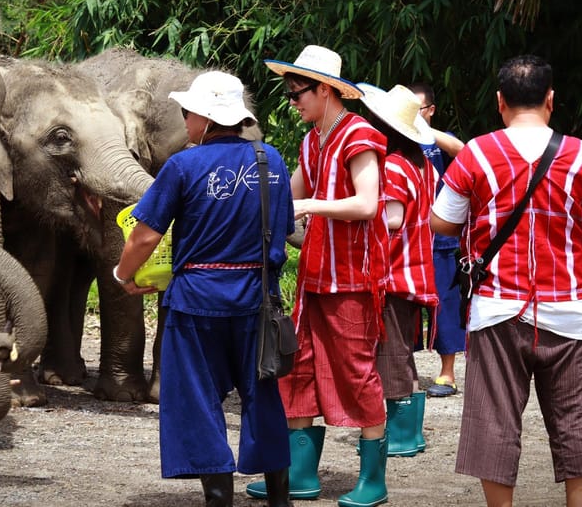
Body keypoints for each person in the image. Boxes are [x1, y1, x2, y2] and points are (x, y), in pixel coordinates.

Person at [431, 55, 582, 507]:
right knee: (576, 420)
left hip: (497, 308)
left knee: (494, 422)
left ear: (499, 102)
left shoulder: (477, 153)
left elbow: (441, 222)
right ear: (551, 99)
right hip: (568, 309)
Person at [114, 71, 295, 507]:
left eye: (187, 112)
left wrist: (123, 275)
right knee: (262, 396)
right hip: (256, 300)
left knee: (197, 400)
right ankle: (279, 500)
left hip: (196, 302)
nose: (185, 120)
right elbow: (284, 231)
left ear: (205, 117)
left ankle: (219, 499)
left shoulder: (182, 165)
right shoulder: (271, 161)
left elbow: (144, 236)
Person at [246, 45, 391, 507]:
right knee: (299, 369)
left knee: (357, 372)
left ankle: (374, 479)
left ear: (325, 90)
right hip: (313, 280)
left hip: (351, 278)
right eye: (289, 93)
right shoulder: (313, 141)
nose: (292, 101)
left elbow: (368, 204)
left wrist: (307, 208)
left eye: (297, 92)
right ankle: (302, 474)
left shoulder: (358, 135)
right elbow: (286, 205)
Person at [357, 82, 437, 457]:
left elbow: (392, 219)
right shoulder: (422, 165)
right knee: (402, 350)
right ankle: (410, 431)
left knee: (391, 354)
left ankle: (401, 433)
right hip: (418, 269)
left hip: (394, 271)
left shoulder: (392, 166)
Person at [408, 82, 465, 398]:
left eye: (417, 109)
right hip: (404, 238)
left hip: (439, 238)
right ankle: (406, 373)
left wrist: (421, 127)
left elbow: (464, 152)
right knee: (403, 306)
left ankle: (447, 373)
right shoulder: (395, 142)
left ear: (430, 110)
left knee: (446, 303)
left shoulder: (439, 142)